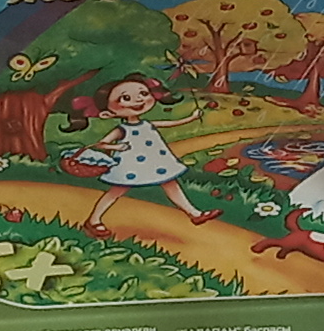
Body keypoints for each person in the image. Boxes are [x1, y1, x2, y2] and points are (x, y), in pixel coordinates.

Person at [67, 71, 220, 233]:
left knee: (170, 184)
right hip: (129, 165)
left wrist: (192, 118)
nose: (139, 99)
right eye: (126, 98)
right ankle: (93, 220)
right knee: (116, 191)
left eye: (144, 93)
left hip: (156, 163)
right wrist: (116, 147)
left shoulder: (147, 124)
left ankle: (194, 214)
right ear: (107, 113)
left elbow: (171, 123)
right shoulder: (122, 129)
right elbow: (102, 144)